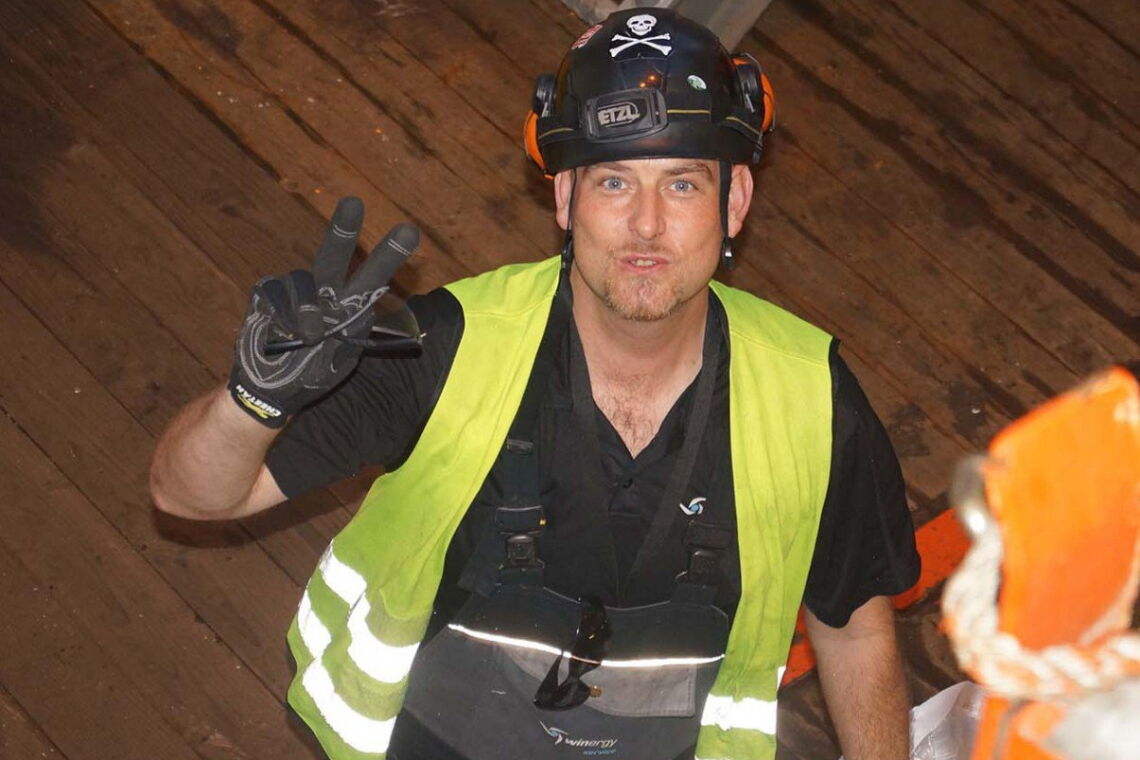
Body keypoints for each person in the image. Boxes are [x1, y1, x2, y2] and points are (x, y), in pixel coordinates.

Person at [150, 9, 920, 760]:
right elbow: (191, 497)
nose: (647, 226)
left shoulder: (811, 399)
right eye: (614, 182)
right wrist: (253, 399)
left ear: (736, 203)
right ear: (563, 199)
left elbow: (854, 628)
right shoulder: (448, 348)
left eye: (683, 185)